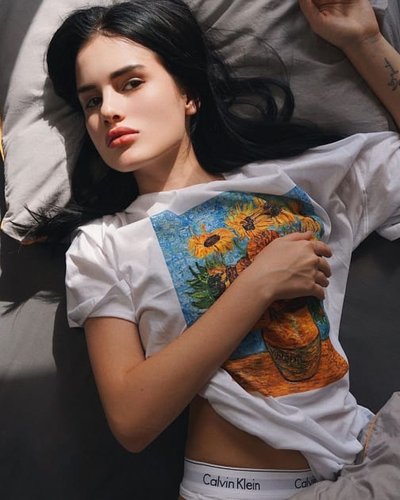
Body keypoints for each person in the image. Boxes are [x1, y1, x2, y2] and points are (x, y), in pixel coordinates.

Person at [28, 0, 400, 498]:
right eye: (91, 101)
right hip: (242, 488)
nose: (108, 110)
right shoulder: (103, 245)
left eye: (130, 83)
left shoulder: (297, 182)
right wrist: (256, 286)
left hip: (365, 458)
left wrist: (365, 41)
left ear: (188, 94)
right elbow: (132, 420)